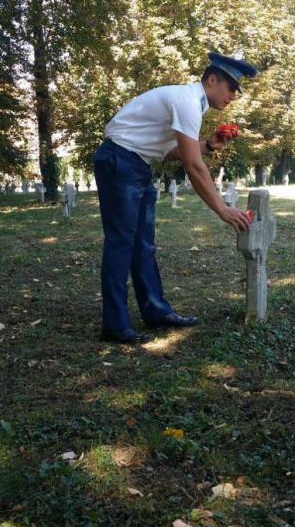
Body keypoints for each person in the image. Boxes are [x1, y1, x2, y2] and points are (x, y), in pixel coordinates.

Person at [92, 52, 258, 344]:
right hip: (119, 160)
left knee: (143, 243)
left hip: (137, 162)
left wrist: (208, 144)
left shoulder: (190, 104)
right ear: (211, 79)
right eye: (231, 87)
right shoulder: (187, 102)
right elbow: (192, 166)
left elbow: (167, 152)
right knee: (121, 242)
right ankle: (115, 324)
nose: (233, 95)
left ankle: (155, 310)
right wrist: (222, 209)